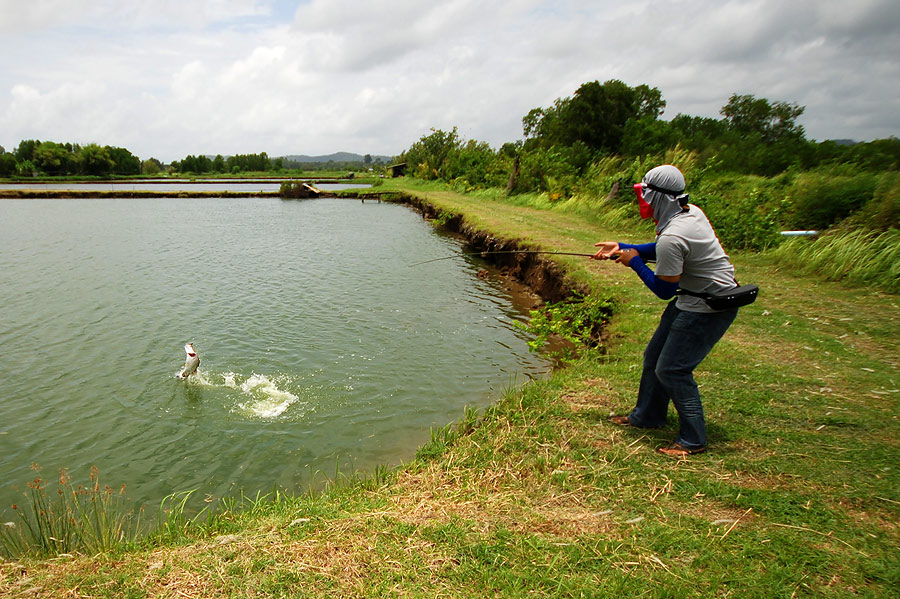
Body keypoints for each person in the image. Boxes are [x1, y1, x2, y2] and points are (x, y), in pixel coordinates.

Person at [592, 164, 739, 457]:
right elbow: (659, 247)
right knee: (654, 358)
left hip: (709, 306)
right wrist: (623, 246)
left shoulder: (675, 234)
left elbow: (664, 289)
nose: (643, 201)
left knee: (673, 370)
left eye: (646, 195)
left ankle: (693, 440)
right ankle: (648, 416)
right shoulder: (689, 212)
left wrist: (633, 261)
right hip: (692, 299)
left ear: (659, 197)